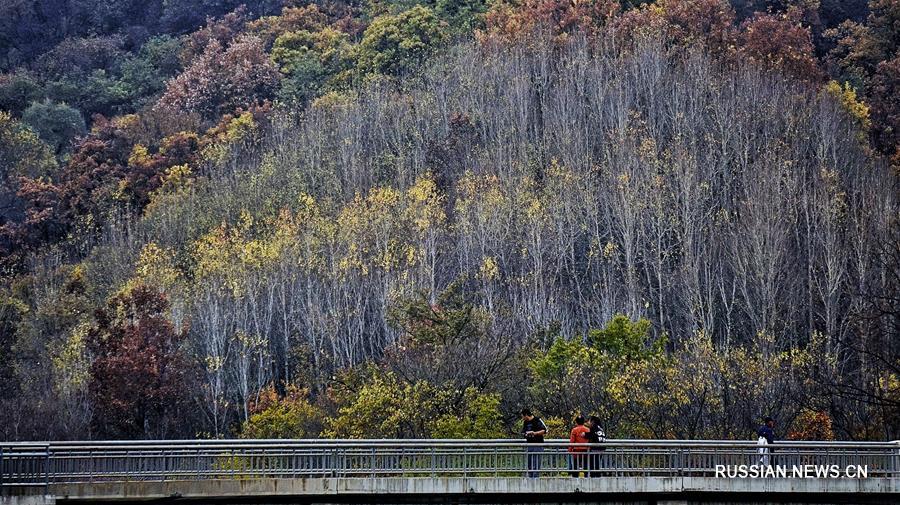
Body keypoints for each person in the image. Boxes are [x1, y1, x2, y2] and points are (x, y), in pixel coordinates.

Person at [521, 408, 547, 478]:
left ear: (526, 415)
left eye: (523, 416)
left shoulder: (537, 420)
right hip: (529, 445)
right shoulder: (525, 422)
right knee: (530, 464)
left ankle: (535, 480)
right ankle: (530, 478)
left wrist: (534, 433)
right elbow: (523, 432)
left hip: (538, 445)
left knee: (536, 464)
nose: (522, 418)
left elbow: (544, 430)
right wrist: (526, 434)